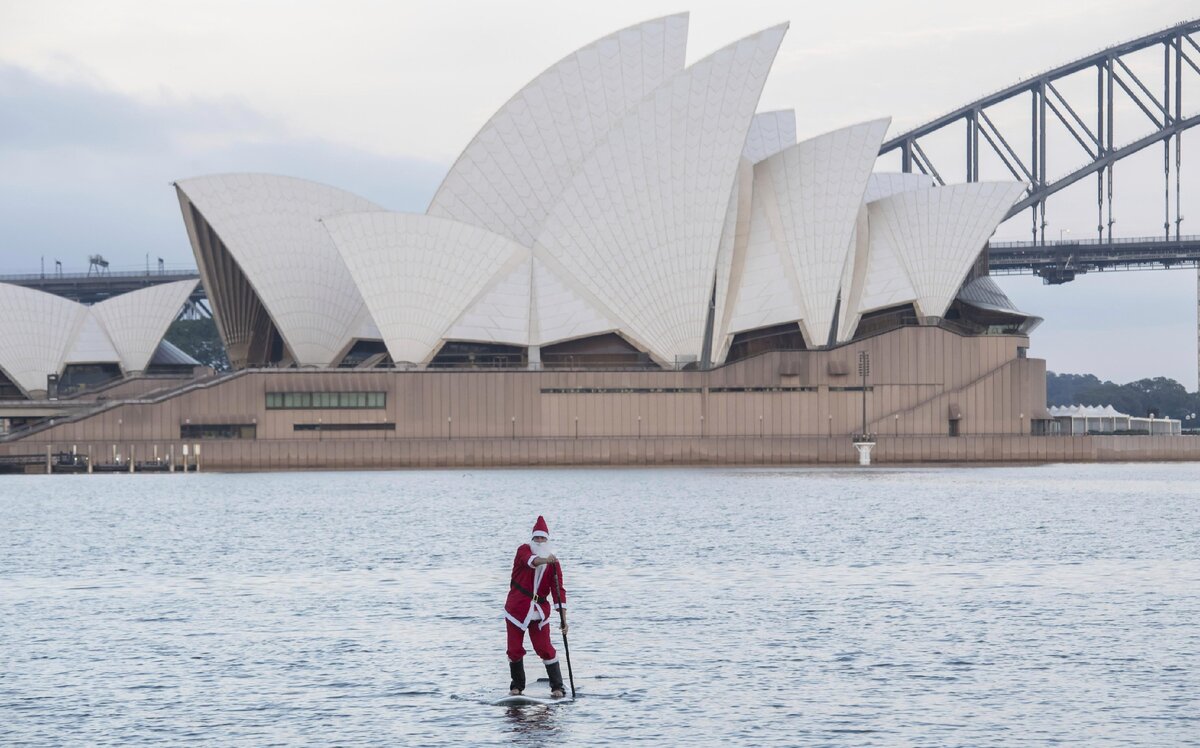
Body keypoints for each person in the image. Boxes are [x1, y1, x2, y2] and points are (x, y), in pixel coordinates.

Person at [505, 515, 568, 698]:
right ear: (532, 539)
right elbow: (531, 561)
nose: (539, 541)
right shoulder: (523, 550)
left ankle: (557, 686)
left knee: (545, 648)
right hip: (517, 609)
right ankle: (517, 686)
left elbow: (558, 591)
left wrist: (563, 619)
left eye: (543, 538)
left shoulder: (553, 563)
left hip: (539, 611)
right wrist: (546, 560)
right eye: (536, 538)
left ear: (547, 540)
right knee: (514, 648)